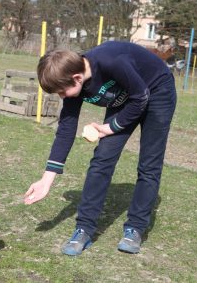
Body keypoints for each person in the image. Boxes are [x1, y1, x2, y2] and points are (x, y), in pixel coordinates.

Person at [24, 41, 177, 256]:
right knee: (102, 160)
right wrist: (46, 180)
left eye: (61, 92)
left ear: (77, 78)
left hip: (157, 90)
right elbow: (66, 129)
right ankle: (84, 229)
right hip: (126, 98)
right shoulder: (74, 80)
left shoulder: (111, 62)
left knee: (149, 164)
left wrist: (110, 127)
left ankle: (135, 228)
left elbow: (141, 96)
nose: (62, 97)